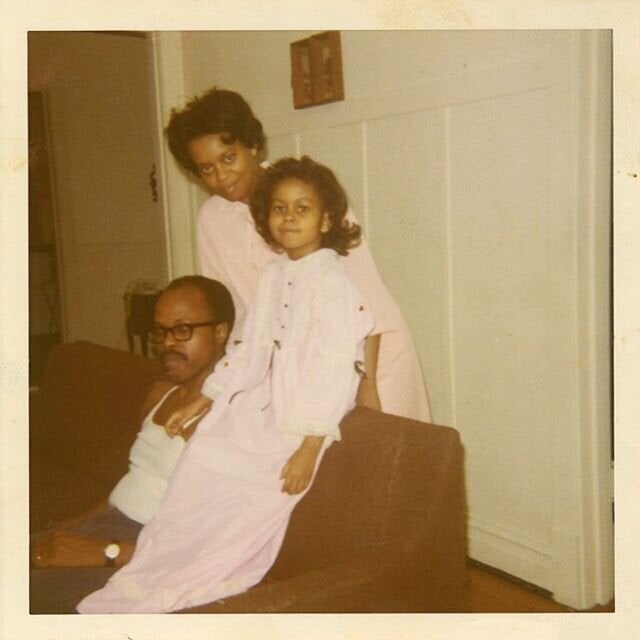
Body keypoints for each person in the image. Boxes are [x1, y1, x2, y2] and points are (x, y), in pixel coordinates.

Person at [76, 156, 374, 613]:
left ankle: (196, 572)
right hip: (259, 404)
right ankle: (155, 565)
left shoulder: (334, 282)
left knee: (242, 497)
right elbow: (251, 347)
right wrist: (205, 400)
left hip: (302, 420)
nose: (289, 218)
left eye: (302, 208)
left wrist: (310, 447)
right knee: (202, 455)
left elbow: (336, 369)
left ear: (328, 218)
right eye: (279, 208)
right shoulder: (275, 276)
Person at [165, 87, 431, 421]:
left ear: (251, 145)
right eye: (206, 169)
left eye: (228, 158)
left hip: (370, 357)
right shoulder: (212, 220)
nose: (221, 176)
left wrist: (369, 382)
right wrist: (218, 387)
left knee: (385, 464)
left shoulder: (306, 192)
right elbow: (229, 313)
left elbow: (365, 295)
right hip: (295, 369)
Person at [29, 276, 234, 612]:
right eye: (160, 330)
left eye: (182, 329)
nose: (167, 342)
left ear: (221, 331)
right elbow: (132, 484)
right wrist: (69, 528)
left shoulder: (230, 418)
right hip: (109, 526)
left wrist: (100, 551)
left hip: (146, 554)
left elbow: (210, 547)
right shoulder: (161, 393)